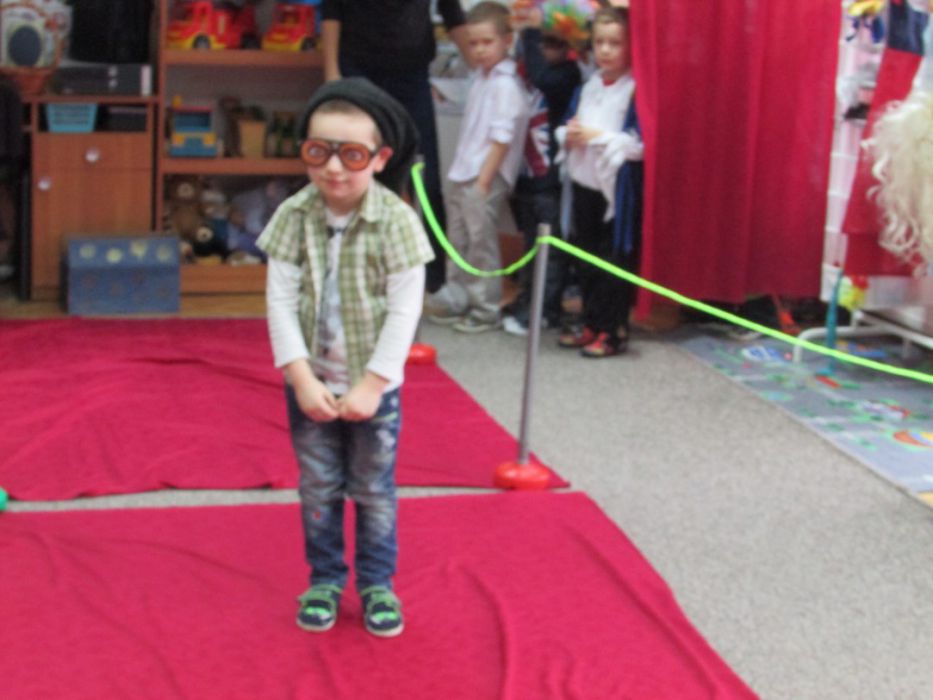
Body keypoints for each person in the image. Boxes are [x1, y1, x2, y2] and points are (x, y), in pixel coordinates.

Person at [257, 78, 435, 638]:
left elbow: (405, 311)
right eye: (319, 151)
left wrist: (373, 384)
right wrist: (300, 377)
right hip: (311, 382)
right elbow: (279, 301)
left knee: (374, 488)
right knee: (318, 486)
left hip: (372, 389)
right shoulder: (293, 214)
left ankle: (378, 583)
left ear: (380, 159)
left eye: (352, 155)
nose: (334, 168)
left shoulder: (398, 221)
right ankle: (325, 580)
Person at [320, 0, 468, 293]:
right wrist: (332, 73)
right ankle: (348, 269)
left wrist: (484, 61)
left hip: (412, 73)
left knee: (424, 174)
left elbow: (452, 12)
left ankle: (433, 277)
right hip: (357, 69)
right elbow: (332, 10)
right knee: (354, 171)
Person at [426, 1, 529, 333]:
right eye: (473, 43)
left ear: (506, 41)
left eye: (487, 42)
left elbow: (501, 138)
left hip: (483, 175)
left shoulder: (506, 85)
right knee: (458, 240)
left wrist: (483, 182)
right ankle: (459, 299)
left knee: (480, 243)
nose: (480, 50)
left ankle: (485, 308)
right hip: (464, 171)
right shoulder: (482, 79)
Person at [555, 5, 643, 357]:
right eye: (599, 42)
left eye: (615, 43)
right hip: (584, 184)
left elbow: (639, 144)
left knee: (613, 260)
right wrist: (570, 134)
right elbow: (567, 123)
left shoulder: (635, 90)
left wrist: (597, 137)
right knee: (585, 256)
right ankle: (591, 321)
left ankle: (613, 328)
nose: (605, 50)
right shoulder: (589, 86)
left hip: (616, 191)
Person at [501, 2, 584, 336]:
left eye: (554, 43)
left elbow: (544, 78)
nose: (544, 49)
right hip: (526, 176)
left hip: (550, 179)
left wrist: (532, 33)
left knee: (550, 250)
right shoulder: (525, 73)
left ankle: (544, 311)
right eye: (542, 43)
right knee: (530, 247)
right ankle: (527, 302)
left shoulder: (566, 75)